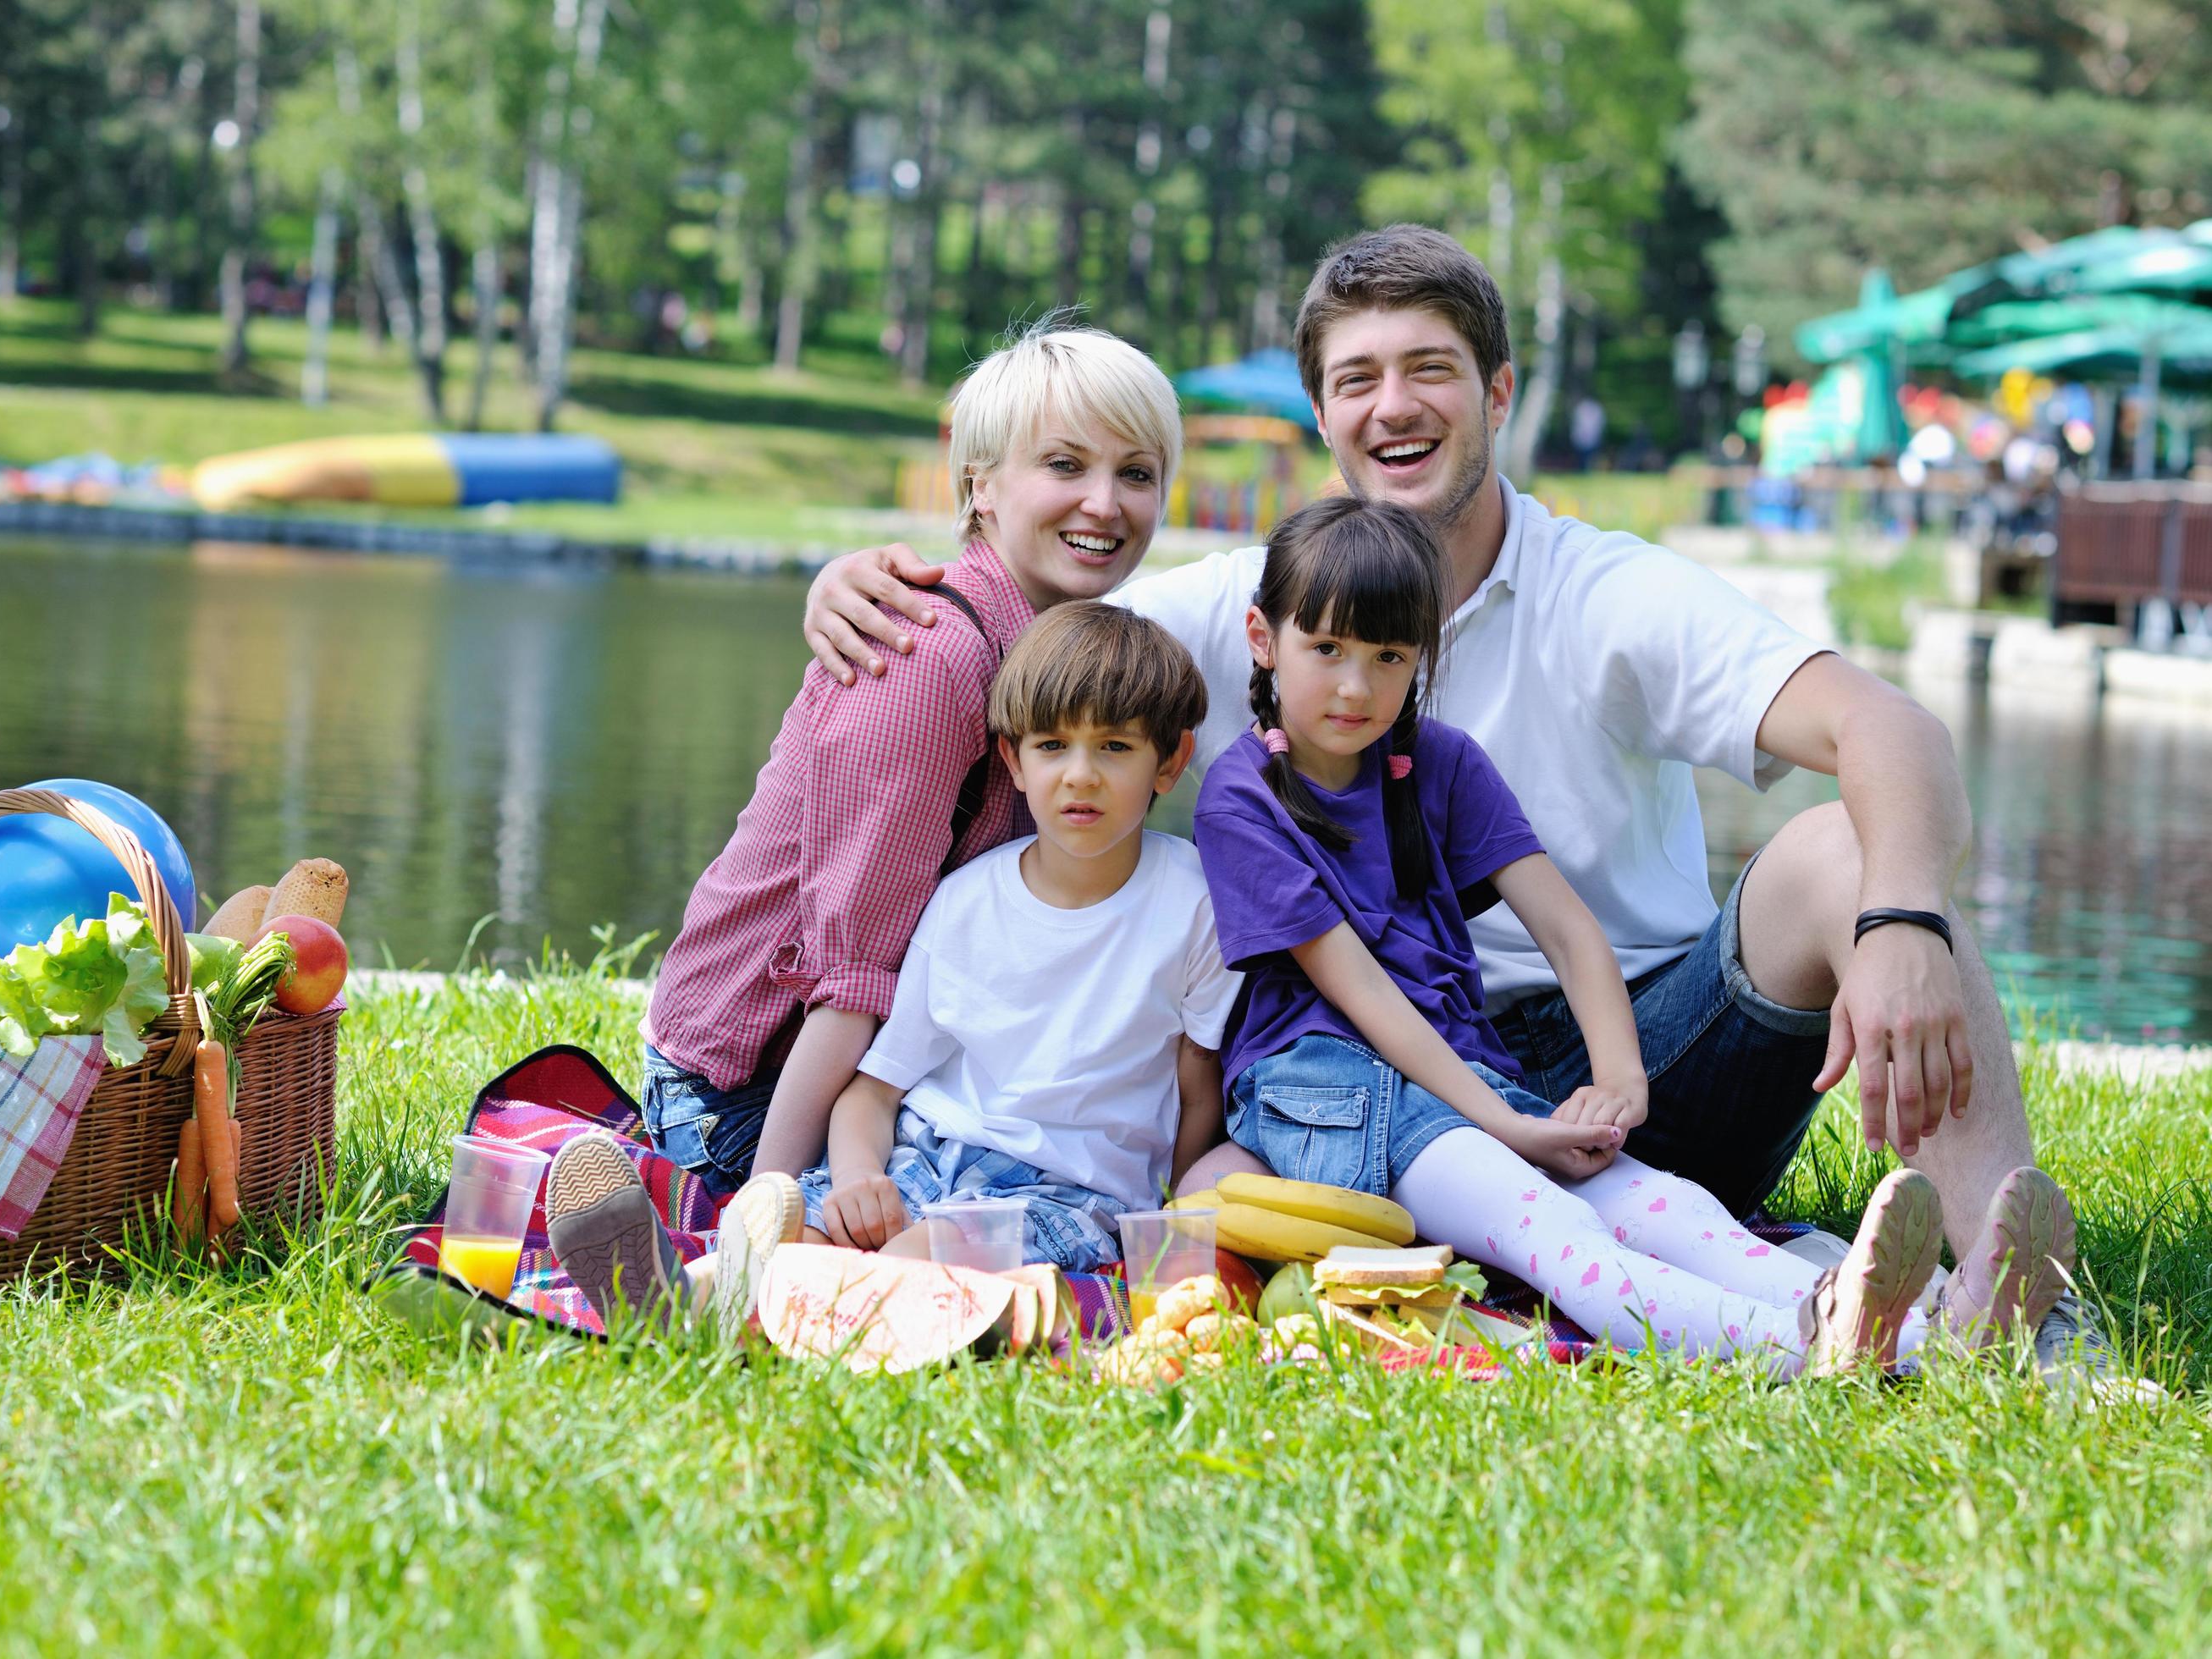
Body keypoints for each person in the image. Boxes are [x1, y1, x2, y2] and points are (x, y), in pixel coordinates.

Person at [800, 225, 2090, 1370]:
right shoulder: (1270, 609)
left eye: (1430, 369)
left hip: (1644, 1064)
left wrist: (1906, 921)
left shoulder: (1609, 593)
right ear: (1323, 421)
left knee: (1842, 854)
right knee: (1562, 1214)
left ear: (1499, 394)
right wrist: (868, 585)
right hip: (1389, 1081)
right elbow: (1039, 662)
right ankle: (1855, 1324)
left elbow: (1889, 726)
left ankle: (2021, 1304)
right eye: (1356, 379)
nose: (1393, 406)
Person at [1194, 493, 2077, 1374]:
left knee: (1669, 1207)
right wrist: (1508, 1123)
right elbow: (1365, 994)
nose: (1357, 685)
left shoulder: (1441, 760)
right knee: (1555, 1230)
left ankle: (1947, 1325)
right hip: (1332, 1092)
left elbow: (1571, 931)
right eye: (1327, 650)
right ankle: (1819, 1347)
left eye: (1390, 655)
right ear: (1263, 640)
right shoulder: (1244, 801)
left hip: (1461, 1076)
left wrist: (1619, 1085)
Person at [637, 321, 1185, 1199]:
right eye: (1065, 465)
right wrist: (762, 1206)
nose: (1105, 504)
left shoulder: (1074, 655)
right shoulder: (930, 656)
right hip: (748, 1093)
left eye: (1137, 473)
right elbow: (851, 976)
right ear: (983, 485)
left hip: (880, 1069)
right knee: (997, 1228)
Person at [800, 603, 1239, 1272]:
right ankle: (677, 1294)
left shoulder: (1196, 904)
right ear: (1014, 758)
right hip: (924, 1157)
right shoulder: (966, 902)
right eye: (1052, 746)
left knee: (918, 1261)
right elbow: (875, 1091)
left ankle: (829, 1308)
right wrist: (860, 1177)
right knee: (794, 1236)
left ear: (1170, 760)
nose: (1080, 775)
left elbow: (1197, 1084)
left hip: (1068, 1193)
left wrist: (1170, 1223)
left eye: (1115, 747)